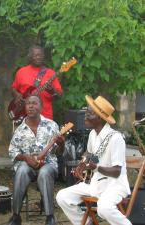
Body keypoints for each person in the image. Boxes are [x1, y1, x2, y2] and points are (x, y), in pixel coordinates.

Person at [56, 95, 131, 225]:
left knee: (104, 208)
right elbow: (89, 153)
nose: (85, 116)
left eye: (89, 114)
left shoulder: (116, 138)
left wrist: (95, 168)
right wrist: (82, 163)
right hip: (95, 183)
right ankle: (86, 223)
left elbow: (117, 172)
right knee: (62, 196)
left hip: (114, 185)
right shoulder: (92, 134)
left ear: (100, 118)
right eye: (86, 113)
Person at [7, 95, 65, 225]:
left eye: (34, 103)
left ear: (41, 107)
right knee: (21, 170)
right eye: (28, 104)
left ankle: (50, 217)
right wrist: (26, 158)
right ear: (25, 107)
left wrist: (61, 144)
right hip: (27, 165)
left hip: (48, 164)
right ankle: (16, 216)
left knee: (44, 173)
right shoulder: (20, 129)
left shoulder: (51, 125)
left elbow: (59, 152)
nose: (31, 106)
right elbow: (12, 152)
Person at [11, 45, 63, 120]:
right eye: (36, 55)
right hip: (24, 115)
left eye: (40, 55)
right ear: (30, 57)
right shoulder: (21, 72)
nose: (38, 57)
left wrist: (52, 91)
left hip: (45, 117)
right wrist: (17, 95)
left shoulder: (50, 73)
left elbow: (60, 95)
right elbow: (13, 89)